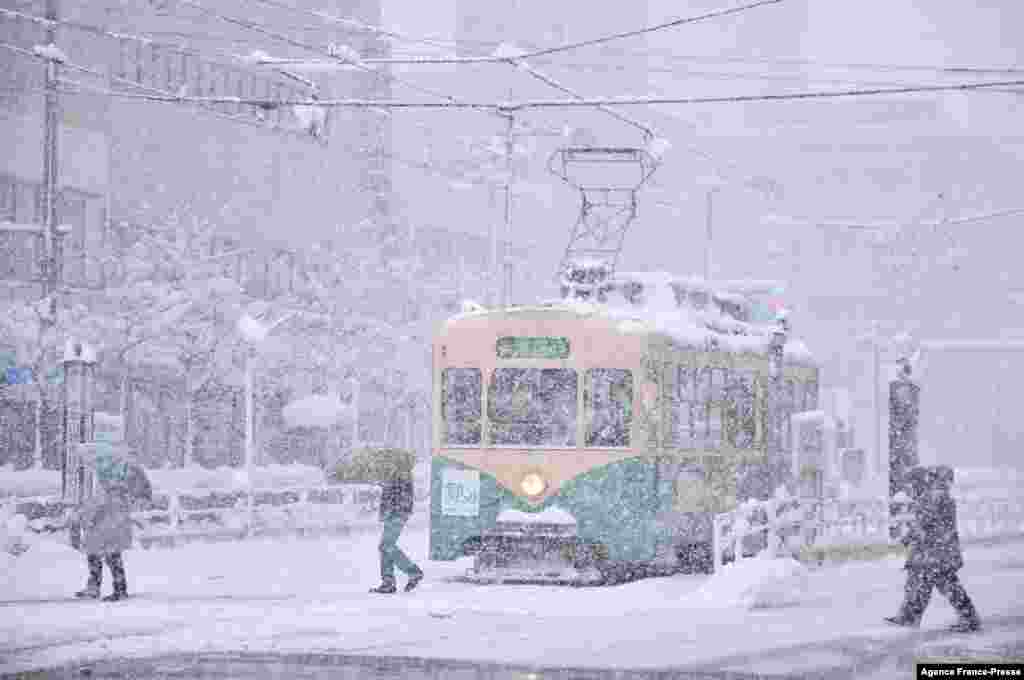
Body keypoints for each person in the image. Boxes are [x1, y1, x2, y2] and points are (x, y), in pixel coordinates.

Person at [885, 465, 981, 632]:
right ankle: (910, 616)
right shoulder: (933, 496)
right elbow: (926, 522)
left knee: (941, 585)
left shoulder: (934, 497)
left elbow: (925, 521)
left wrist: (908, 537)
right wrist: (911, 536)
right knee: (922, 583)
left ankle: (968, 618)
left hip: (935, 551)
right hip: (934, 551)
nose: (909, 489)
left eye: (911, 484)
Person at [71, 450, 153, 602]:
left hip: (103, 531)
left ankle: (99, 588)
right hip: (113, 531)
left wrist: (83, 518)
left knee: (98, 557)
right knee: (112, 559)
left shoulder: (107, 493)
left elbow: (95, 508)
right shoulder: (123, 494)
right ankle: (117, 587)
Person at [369, 451, 424, 594]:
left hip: (397, 514)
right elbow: (392, 493)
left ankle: (412, 572)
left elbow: (397, 495)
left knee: (386, 545)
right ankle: (388, 582)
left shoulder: (401, 474)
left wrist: (386, 485)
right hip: (394, 514)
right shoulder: (397, 474)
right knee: (384, 547)